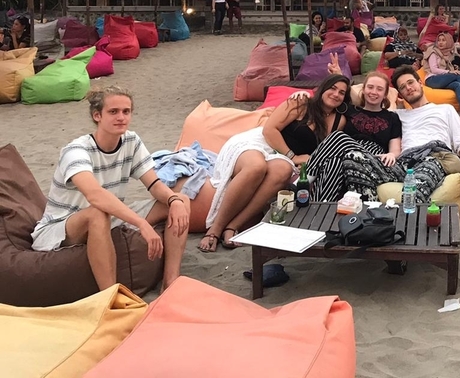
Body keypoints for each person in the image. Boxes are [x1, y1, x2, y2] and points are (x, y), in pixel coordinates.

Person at [31, 86, 190, 292]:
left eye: (126, 111)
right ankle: (110, 296)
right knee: (97, 213)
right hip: (62, 226)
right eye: (113, 112)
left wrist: (173, 200)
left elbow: (154, 184)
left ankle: (170, 282)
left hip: (110, 217)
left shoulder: (131, 141)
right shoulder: (76, 151)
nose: (121, 117)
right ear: (97, 115)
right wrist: (141, 223)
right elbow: (95, 196)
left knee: (181, 201)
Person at [202, 74, 353, 251]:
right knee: (256, 167)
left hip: (282, 158)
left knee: (282, 171)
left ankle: (233, 226)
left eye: (342, 92)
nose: (336, 94)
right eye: (332, 88)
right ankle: (215, 229)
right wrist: (293, 157)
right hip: (261, 143)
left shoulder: (338, 121)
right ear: (322, 88)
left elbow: (325, 147)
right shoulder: (300, 103)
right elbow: (269, 130)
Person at [342, 66, 460, 202]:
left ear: (420, 82)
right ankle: (370, 209)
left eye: (410, 82)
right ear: (400, 94)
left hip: (433, 157)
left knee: (411, 194)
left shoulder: (445, 109)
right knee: (352, 158)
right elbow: (367, 101)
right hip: (404, 163)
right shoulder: (397, 115)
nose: (408, 88)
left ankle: (408, 211)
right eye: (402, 87)